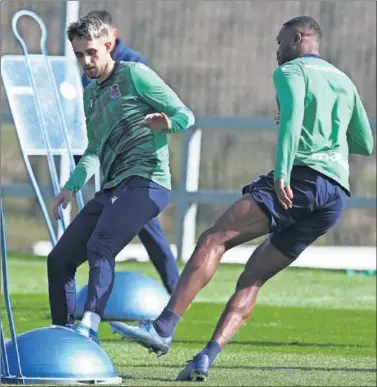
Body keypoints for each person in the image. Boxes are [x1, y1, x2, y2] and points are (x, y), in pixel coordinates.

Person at [110, 16, 374, 381]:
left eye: (280, 42)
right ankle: (206, 356)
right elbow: (364, 143)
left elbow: (294, 118)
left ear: (298, 39)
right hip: (334, 196)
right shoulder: (345, 82)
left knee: (214, 238)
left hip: (299, 179)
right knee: (252, 277)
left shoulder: (291, 72)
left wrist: (282, 171)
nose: (276, 51)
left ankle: (163, 328)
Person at [47, 15, 195, 344]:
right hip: (114, 187)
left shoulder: (135, 74)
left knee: (101, 245)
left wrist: (166, 124)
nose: (86, 61)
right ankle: (63, 338)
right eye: (79, 54)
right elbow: (94, 150)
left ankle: (88, 325)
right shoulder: (91, 97)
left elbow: (186, 115)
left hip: (148, 183)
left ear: (109, 45)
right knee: (59, 260)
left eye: (92, 53)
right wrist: (70, 188)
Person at [75, 10, 180, 297]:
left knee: (145, 231)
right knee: (102, 230)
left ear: (112, 38)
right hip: (106, 159)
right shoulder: (88, 64)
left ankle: (175, 287)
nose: (86, 59)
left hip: (137, 169)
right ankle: (102, 290)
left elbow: (166, 110)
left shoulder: (134, 65)